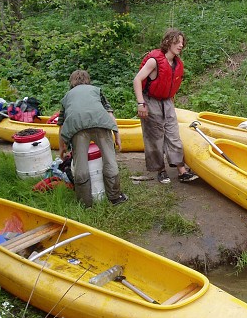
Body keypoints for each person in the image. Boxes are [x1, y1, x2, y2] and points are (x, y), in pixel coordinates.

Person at [132, 28, 198, 184]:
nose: (181, 45)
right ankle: (161, 171)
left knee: (173, 135)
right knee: (155, 138)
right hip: (150, 101)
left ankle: (181, 170)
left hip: (167, 102)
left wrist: (171, 102)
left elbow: (170, 85)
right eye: (177, 41)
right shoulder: (154, 60)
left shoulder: (175, 63)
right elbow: (137, 80)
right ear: (168, 42)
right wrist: (141, 103)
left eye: (182, 42)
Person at [58, 70, 128, 207]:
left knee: (81, 166)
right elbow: (109, 114)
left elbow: (61, 125)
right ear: (88, 80)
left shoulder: (67, 96)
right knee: (110, 160)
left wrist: (62, 147)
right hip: (101, 123)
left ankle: (85, 203)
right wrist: (117, 136)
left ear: (71, 82)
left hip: (77, 127)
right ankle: (115, 197)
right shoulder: (96, 90)